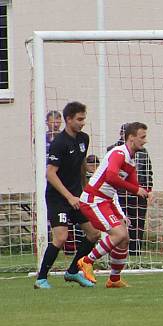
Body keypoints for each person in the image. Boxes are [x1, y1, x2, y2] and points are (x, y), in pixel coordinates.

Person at [34, 102, 101, 289]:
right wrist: (69, 196)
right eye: (79, 119)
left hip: (77, 196)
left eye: (84, 119)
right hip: (58, 198)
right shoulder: (59, 143)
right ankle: (41, 279)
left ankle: (72, 272)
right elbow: (50, 173)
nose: (82, 123)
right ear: (68, 119)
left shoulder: (83, 139)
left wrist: (85, 190)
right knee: (61, 237)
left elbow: (79, 166)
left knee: (94, 233)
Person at [77, 122, 152, 288]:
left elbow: (135, 186)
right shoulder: (119, 153)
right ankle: (86, 261)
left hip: (107, 201)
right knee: (118, 234)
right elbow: (111, 177)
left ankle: (114, 279)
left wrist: (147, 191)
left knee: (124, 238)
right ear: (131, 138)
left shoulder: (130, 162)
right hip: (93, 199)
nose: (145, 141)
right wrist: (136, 189)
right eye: (142, 137)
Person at [108, 125, 154, 256]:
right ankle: (117, 250)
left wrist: (148, 189)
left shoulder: (142, 152)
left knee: (137, 221)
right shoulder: (114, 150)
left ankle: (135, 250)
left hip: (138, 192)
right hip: (119, 193)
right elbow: (111, 175)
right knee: (119, 222)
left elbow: (148, 172)